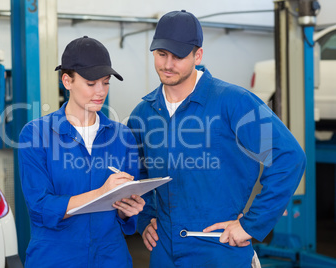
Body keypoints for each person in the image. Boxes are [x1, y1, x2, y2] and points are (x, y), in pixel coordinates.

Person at [127, 10, 306, 267]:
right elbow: (139, 175)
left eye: (178, 56)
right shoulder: (143, 114)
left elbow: (288, 157)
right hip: (164, 251)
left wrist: (251, 224)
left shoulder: (234, 103)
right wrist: (146, 219)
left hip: (220, 249)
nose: (167, 64)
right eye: (161, 54)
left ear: (197, 55)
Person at [18, 36, 145, 267]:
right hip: (56, 257)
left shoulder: (122, 136)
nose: (100, 91)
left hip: (111, 257)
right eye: (91, 83)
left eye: (106, 82)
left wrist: (128, 210)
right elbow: (40, 208)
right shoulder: (36, 135)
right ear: (67, 81)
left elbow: (125, 213)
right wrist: (101, 193)